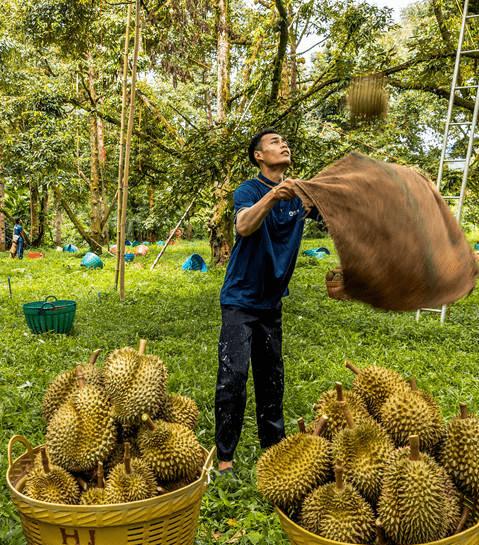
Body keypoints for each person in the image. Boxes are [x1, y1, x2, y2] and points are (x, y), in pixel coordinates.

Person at [215, 128, 320, 475]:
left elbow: (338, 216)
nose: (284, 144)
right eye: (275, 142)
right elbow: (244, 226)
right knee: (233, 377)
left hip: (271, 303)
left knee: (271, 378)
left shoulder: (300, 196)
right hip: (240, 300)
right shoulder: (249, 190)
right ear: (259, 156)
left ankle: (274, 453)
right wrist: (275, 195)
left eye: (284, 141)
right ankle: (225, 459)